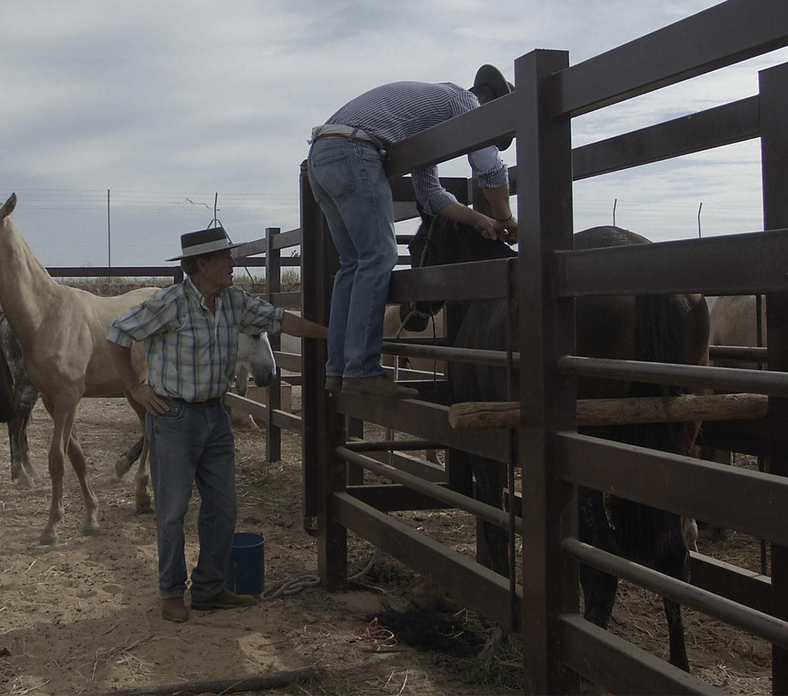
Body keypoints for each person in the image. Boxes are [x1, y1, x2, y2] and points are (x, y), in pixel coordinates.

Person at [106, 226, 328, 623]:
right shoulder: (170, 303)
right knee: (172, 510)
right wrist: (135, 389)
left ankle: (209, 589)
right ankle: (171, 592)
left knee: (223, 508)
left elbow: (281, 320)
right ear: (203, 264)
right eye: (226, 257)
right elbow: (117, 334)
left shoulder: (235, 302)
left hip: (215, 415)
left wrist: (328, 334)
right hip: (173, 417)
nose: (234, 263)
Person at [307, 64, 518, 398]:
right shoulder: (465, 102)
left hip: (324, 153)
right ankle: (362, 370)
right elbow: (489, 167)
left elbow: (431, 196)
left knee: (353, 263)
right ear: (489, 105)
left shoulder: (425, 125)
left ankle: (338, 370)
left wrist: (480, 220)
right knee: (379, 255)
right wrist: (505, 218)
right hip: (353, 151)